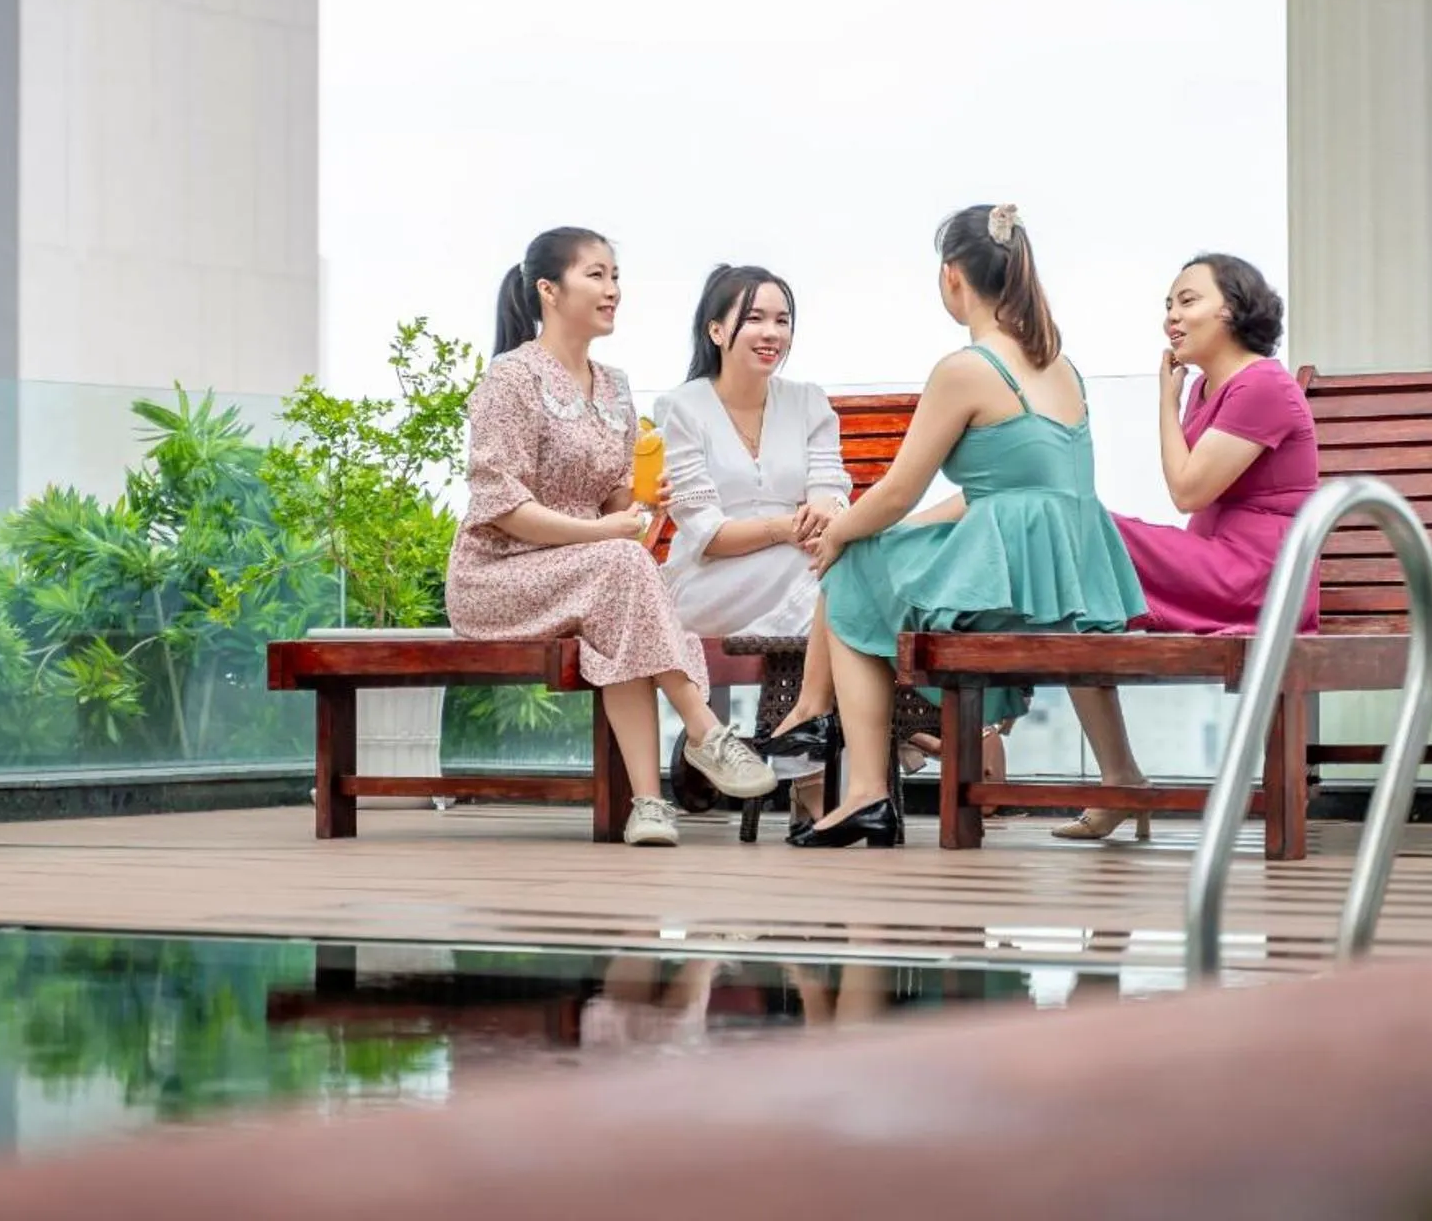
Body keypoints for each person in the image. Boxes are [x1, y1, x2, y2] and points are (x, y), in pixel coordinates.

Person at [801, 204, 1146, 849]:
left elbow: (899, 490)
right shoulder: (1061, 366)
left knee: (847, 581)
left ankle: (865, 792)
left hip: (1006, 595)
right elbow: (1011, 493)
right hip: (1072, 584)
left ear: (953, 275)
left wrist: (841, 532)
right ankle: (1121, 774)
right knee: (1072, 634)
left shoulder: (967, 369)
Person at [446, 227, 778, 847]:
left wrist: (644, 504)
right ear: (549, 289)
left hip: (591, 574)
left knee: (621, 606)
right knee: (622, 572)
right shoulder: (509, 381)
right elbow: (504, 506)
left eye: (616, 276)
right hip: (499, 575)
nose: (613, 290)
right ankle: (706, 732)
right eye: (596, 275)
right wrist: (605, 531)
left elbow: (618, 502)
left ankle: (649, 805)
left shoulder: (618, 386)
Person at [1054, 252, 1320, 842]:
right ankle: (1121, 780)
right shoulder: (1207, 387)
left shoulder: (1262, 385)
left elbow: (1187, 489)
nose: (1172, 316)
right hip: (1215, 565)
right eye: (1168, 304)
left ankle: (953, 730)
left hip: (1258, 578)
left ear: (1234, 308)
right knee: (1076, 598)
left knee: (1080, 526)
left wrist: (1163, 404)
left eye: (1188, 300)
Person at [654, 265, 851, 823]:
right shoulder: (681, 410)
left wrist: (824, 510)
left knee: (829, 570)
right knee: (828, 574)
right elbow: (708, 536)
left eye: (782, 320)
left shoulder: (809, 402)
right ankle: (861, 744)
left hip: (799, 571)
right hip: (707, 587)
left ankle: (805, 766)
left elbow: (831, 487)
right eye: (755, 319)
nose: (772, 333)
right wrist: (790, 529)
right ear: (717, 331)